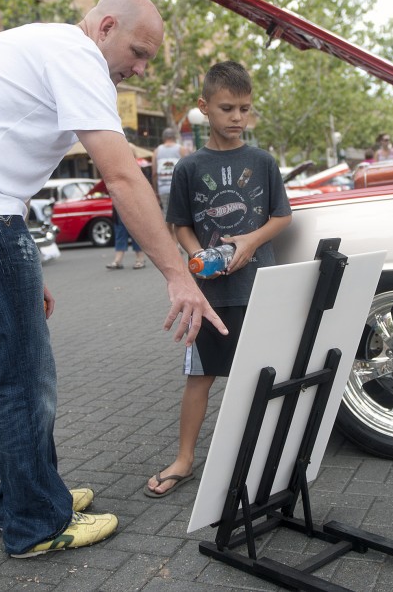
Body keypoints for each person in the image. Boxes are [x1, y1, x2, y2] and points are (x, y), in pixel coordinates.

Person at [0, 0, 227, 558]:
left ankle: (26, 495)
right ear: (106, 26)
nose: (139, 68)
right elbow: (120, 175)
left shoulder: (44, 45)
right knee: (19, 376)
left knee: (6, 365)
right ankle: (36, 522)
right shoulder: (78, 56)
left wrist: (17, 271)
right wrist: (179, 275)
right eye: (138, 52)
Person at [144, 61, 291, 497]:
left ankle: (262, 456)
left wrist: (248, 243)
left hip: (260, 289)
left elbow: (282, 217)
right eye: (227, 108)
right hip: (209, 293)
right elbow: (181, 224)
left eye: (245, 108)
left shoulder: (263, 162)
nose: (238, 117)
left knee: (262, 374)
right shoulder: (189, 168)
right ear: (204, 107)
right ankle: (185, 459)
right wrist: (198, 255)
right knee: (199, 376)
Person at [152, 127, 188, 211]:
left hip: (163, 189)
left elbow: (154, 173)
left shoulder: (156, 151)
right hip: (179, 189)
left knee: (166, 215)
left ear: (163, 138)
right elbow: (187, 170)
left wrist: (156, 190)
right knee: (179, 216)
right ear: (174, 137)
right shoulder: (181, 149)